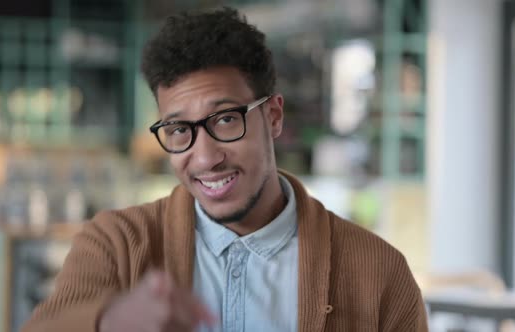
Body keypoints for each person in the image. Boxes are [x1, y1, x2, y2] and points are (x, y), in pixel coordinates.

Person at [22, 7, 428, 332]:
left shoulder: (377, 271)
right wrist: (107, 322)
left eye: (226, 120)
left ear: (272, 116)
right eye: (180, 129)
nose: (204, 157)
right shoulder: (117, 245)